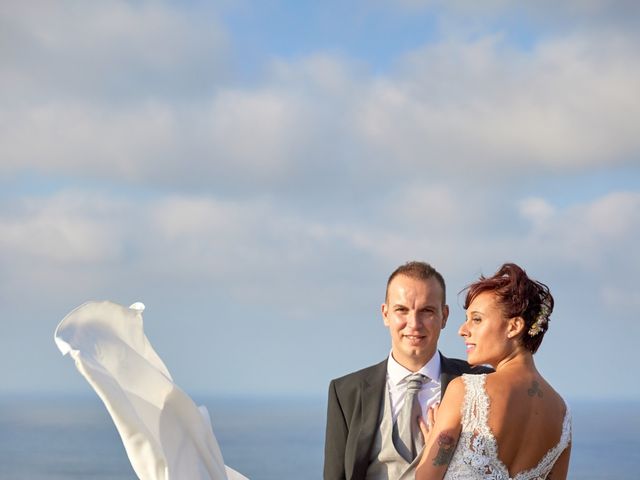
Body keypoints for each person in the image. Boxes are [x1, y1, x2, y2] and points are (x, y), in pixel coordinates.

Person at [324, 261, 491, 480]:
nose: (414, 323)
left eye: (427, 311)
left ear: (445, 316)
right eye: (402, 310)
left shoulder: (480, 382)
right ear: (385, 314)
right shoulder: (345, 391)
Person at [416, 263, 572, 480]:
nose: (463, 330)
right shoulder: (562, 415)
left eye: (477, 319)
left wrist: (432, 447)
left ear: (514, 326)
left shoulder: (466, 392)